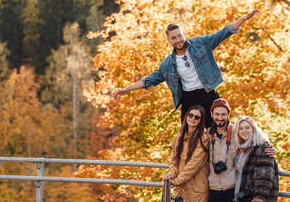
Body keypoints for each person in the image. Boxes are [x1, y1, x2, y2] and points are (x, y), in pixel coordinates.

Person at [111, 10, 260, 128]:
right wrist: (125, 89)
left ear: (183, 35)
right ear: (169, 40)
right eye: (174, 38)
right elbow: (148, 81)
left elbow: (223, 33)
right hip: (190, 100)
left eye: (179, 36)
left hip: (209, 94)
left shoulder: (200, 43)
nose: (178, 40)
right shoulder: (167, 64)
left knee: (221, 130)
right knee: (188, 138)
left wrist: (244, 18)